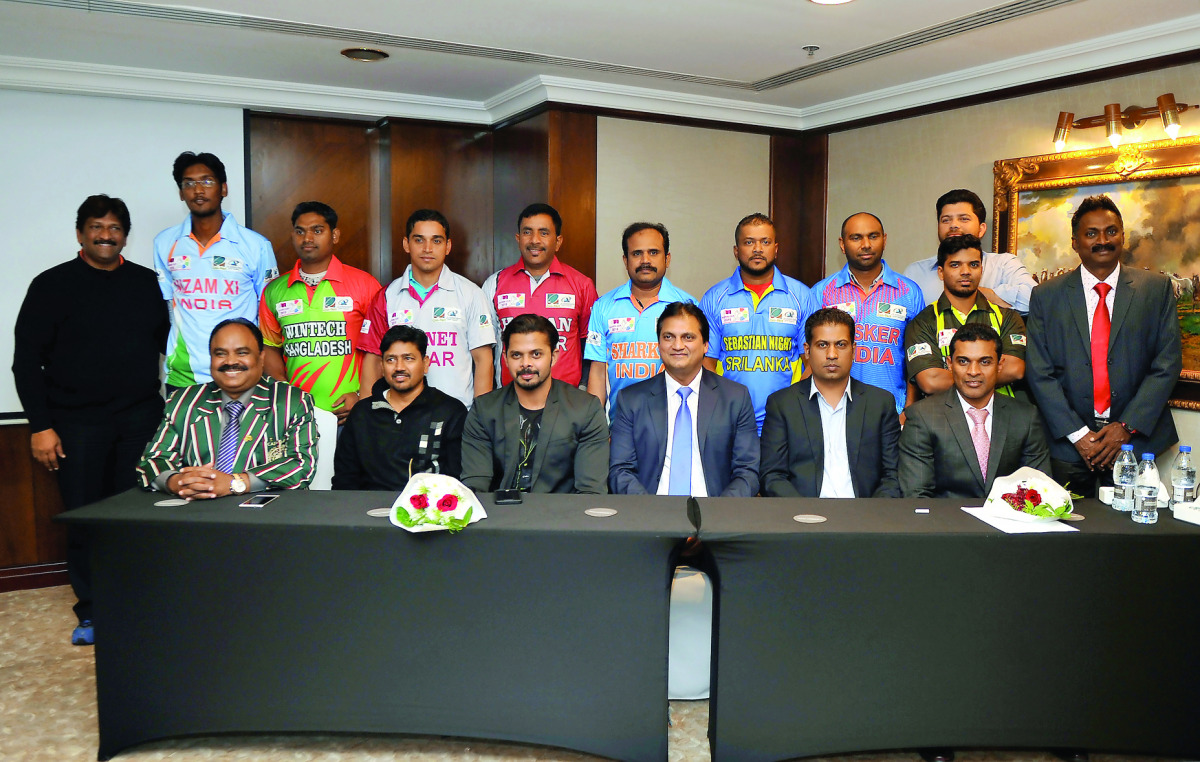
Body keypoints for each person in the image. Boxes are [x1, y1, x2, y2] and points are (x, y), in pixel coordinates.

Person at [12, 194, 169, 646]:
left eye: (115, 228)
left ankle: (134, 602)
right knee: (85, 518)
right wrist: (40, 425)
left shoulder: (145, 283)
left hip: (140, 420)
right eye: (97, 227)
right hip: (76, 425)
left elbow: (167, 345)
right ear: (80, 233)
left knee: (135, 517)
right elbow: (26, 362)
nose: (106, 235)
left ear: (125, 235)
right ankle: (93, 610)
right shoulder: (51, 285)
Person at [1026, 194, 1182, 497]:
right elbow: (1039, 372)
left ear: (1123, 236)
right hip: (1068, 445)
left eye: (1111, 231)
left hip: (1136, 443)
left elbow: (1167, 364)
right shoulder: (1047, 296)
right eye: (1091, 233)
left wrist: (1126, 427)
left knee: (1132, 538)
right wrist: (1079, 435)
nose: (1103, 240)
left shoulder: (1155, 290)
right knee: (1067, 533)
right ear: (1075, 242)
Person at [136, 318, 318, 496]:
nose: (230, 361)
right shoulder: (184, 401)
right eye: (220, 353)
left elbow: (301, 465)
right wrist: (178, 482)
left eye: (242, 353)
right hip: (196, 512)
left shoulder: (291, 401)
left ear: (261, 357)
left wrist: (236, 483)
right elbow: (153, 460)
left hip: (268, 516)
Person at [154, 151, 278, 390]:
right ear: (181, 192)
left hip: (241, 372)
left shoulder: (256, 245)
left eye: (207, 181)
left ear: (224, 189)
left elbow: (269, 315)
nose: (198, 190)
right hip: (184, 376)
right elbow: (170, 306)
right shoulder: (164, 243)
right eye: (189, 183)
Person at [608, 302, 759, 497]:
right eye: (668, 337)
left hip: (717, 514)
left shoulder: (735, 397)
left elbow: (747, 472)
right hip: (651, 514)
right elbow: (620, 471)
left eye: (688, 337)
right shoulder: (632, 400)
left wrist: (718, 514)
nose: (677, 346)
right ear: (658, 345)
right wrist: (652, 512)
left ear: (706, 345)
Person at [259, 201, 382, 423]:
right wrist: (286, 395)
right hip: (296, 418)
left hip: (352, 414)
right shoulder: (274, 291)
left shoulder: (365, 285)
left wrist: (363, 397)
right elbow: (269, 347)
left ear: (334, 235)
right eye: (300, 231)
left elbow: (382, 348)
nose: (307, 238)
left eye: (317, 230)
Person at [359, 209, 495, 408]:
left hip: (457, 417)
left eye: (437, 241)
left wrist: (479, 420)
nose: (428, 248)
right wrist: (367, 416)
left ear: (448, 246)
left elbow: (483, 361)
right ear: (407, 244)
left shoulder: (471, 294)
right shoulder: (386, 296)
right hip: (399, 418)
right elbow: (373, 362)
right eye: (419, 240)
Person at [759, 308, 900, 498]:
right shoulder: (782, 404)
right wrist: (805, 516)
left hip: (867, 517)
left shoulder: (880, 403)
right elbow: (772, 476)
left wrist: (870, 517)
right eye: (823, 345)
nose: (832, 354)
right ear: (807, 351)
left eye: (841, 344)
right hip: (803, 518)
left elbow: (892, 475)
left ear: (854, 350)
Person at [461, 314, 609, 494]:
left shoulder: (585, 409)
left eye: (536, 354)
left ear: (553, 357)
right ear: (506, 359)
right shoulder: (484, 410)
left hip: (563, 518)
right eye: (516, 355)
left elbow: (590, 491)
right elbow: (476, 486)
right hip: (499, 516)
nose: (526, 364)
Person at [899, 324, 1050, 499]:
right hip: (945, 523)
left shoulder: (1026, 417)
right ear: (949, 364)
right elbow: (916, 495)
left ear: (1000, 365)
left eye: (985, 362)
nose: (973, 371)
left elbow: (1039, 491)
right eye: (963, 361)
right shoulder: (923, 417)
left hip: (1008, 523)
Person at [700, 212, 809, 434]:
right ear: (736, 250)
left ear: (776, 249)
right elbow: (705, 364)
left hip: (785, 423)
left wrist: (795, 408)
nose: (757, 249)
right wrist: (720, 410)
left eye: (765, 242)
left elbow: (812, 362)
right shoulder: (714, 298)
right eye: (749, 242)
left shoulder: (801, 296)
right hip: (730, 423)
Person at [805, 212, 924, 413]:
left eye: (873, 236)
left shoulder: (909, 292)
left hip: (892, 411)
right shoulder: (821, 292)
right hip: (833, 411)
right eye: (856, 238)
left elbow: (916, 358)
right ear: (842, 244)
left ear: (884, 240)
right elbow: (812, 358)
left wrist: (908, 410)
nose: (866, 244)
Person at [333, 325, 467, 491]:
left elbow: (458, 480)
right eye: (391, 359)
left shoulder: (450, 412)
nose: (399, 367)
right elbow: (345, 479)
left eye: (408, 358)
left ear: (425, 364)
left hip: (429, 511)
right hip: (369, 510)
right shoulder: (362, 413)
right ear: (381, 366)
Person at [585, 222, 696, 414]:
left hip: (674, 421)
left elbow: (697, 368)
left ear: (667, 259)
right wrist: (593, 430)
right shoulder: (603, 307)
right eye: (637, 253)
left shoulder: (688, 305)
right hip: (620, 425)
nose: (645, 260)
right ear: (625, 260)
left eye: (653, 252)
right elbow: (597, 373)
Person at [482, 203, 598, 387]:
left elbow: (591, 347)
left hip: (567, 401)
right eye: (527, 232)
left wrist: (583, 392)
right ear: (518, 238)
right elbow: (484, 351)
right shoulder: (494, 284)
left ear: (558, 241)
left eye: (544, 233)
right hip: (509, 398)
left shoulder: (582, 285)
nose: (535, 240)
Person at [903, 234, 1027, 401]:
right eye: (955, 265)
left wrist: (956, 376)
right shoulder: (922, 322)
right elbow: (930, 381)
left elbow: (1014, 369)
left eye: (974, 264)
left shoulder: (1008, 318)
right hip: (944, 421)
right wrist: (986, 374)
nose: (966, 272)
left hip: (1003, 417)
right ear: (941, 272)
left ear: (981, 269)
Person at [902, 188, 1037, 313]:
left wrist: (971, 294)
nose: (954, 225)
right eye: (946, 220)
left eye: (964, 219)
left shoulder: (1004, 264)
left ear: (981, 229)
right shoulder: (915, 273)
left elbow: (1035, 300)